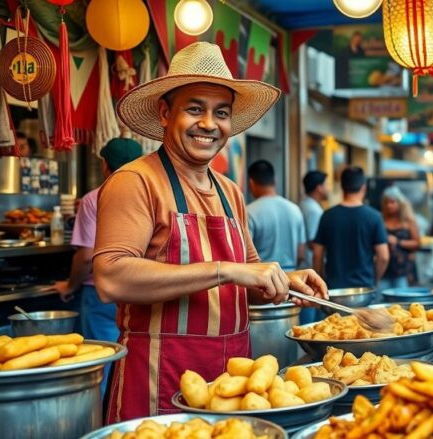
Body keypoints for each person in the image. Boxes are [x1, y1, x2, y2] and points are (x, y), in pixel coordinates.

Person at [93, 42, 327, 422]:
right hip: (157, 380)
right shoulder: (136, 181)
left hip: (231, 382)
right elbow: (110, 277)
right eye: (194, 108)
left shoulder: (229, 191)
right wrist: (226, 269)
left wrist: (285, 280)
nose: (209, 124)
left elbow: (247, 280)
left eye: (221, 113)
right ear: (165, 112)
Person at [53, 137, 143, 392]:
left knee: (100, 366)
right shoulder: (152, 196)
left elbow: (85, 256)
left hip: (101, 295)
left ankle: (100, 425)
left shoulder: (95, 198)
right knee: (134, 364)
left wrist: (69, 286)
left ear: (105, 165)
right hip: (141, 292)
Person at [313, 167, 389, 289]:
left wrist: (320, 281)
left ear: (342, 187)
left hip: (334, 289)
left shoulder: (327, 216)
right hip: (364, 289)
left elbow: (317, 254)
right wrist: (374, 279)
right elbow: (383, 257)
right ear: (364, 187)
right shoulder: (374, 217)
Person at [246, 160, 306, 270]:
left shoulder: (249, 212)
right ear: (275, 180)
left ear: (251, 183)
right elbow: (301, 254)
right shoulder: (294, 209)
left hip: (262, 279)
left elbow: (245, 253)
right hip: (291, 277)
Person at [379, 186, 419, 289]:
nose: (389, 206)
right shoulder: (380, 220)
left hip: (403, 269)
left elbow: (417, 243)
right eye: (386, 203)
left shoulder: (408, 221)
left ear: (400, 203)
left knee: (402, 299)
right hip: (384, 268)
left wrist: (398, 241)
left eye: (392, 202)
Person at [300, 170, 327, 269]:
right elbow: (313, 242)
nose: (328, 188)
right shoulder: (313, 210)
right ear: (319, 188)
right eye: (326, 185)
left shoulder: (305, 204)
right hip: (311, 264)